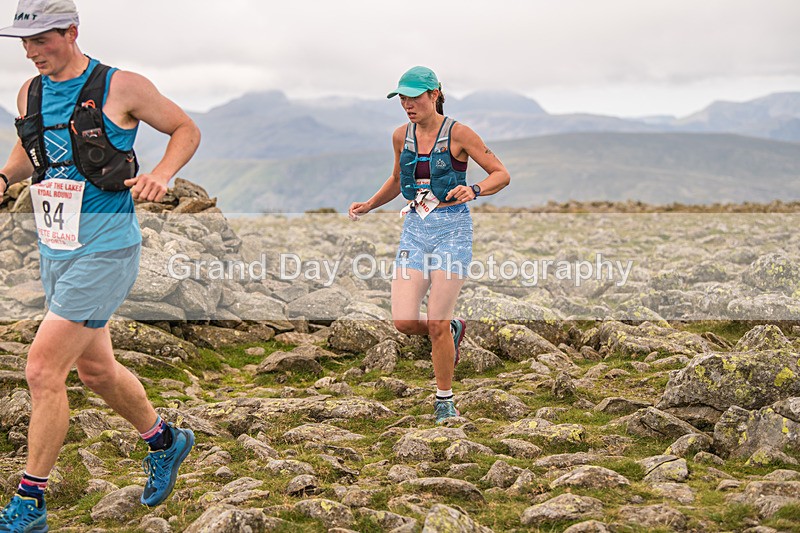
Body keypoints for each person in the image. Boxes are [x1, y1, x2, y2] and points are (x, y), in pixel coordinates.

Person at [0, 0, 201, 530]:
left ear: (70, 31)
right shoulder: (29, 92)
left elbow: (185, 129)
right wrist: (3, 177)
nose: (30, 51)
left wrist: (162, 173)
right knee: (96, 370)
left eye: (41, 40)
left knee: (43, 370)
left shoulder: (121, 86)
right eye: (24, 42)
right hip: (55, 247)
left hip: (107, 248)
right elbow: (33, 153)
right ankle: (166, 439)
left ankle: (29, 503)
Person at [349, 66, 510, 424]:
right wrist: (370, 204)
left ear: (434, 94)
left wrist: (475, 189)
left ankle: (444, 400)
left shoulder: (460, 133)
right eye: (402, 97)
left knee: (436, 319)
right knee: (404, 321)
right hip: (415, 230)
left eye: (414, 96)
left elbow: (501, 174)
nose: (407, 104)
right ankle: (452, 330)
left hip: (453, 231)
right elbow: (396, 179)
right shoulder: (399, 136)